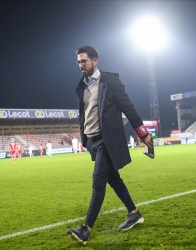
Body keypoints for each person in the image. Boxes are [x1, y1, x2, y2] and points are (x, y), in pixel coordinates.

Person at [66, 45, 152, 246]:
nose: (80, 65)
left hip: (107, 140)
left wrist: (142, 132)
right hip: (93, 142)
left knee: (98, 183)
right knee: (114, 180)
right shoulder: (82, 86)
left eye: (84, 61)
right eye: (78, 62)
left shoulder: (109, 81)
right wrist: (85, 140)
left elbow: (127, 107)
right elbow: (83, 115)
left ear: (95, 61)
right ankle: (134, 213)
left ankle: (86, 230)